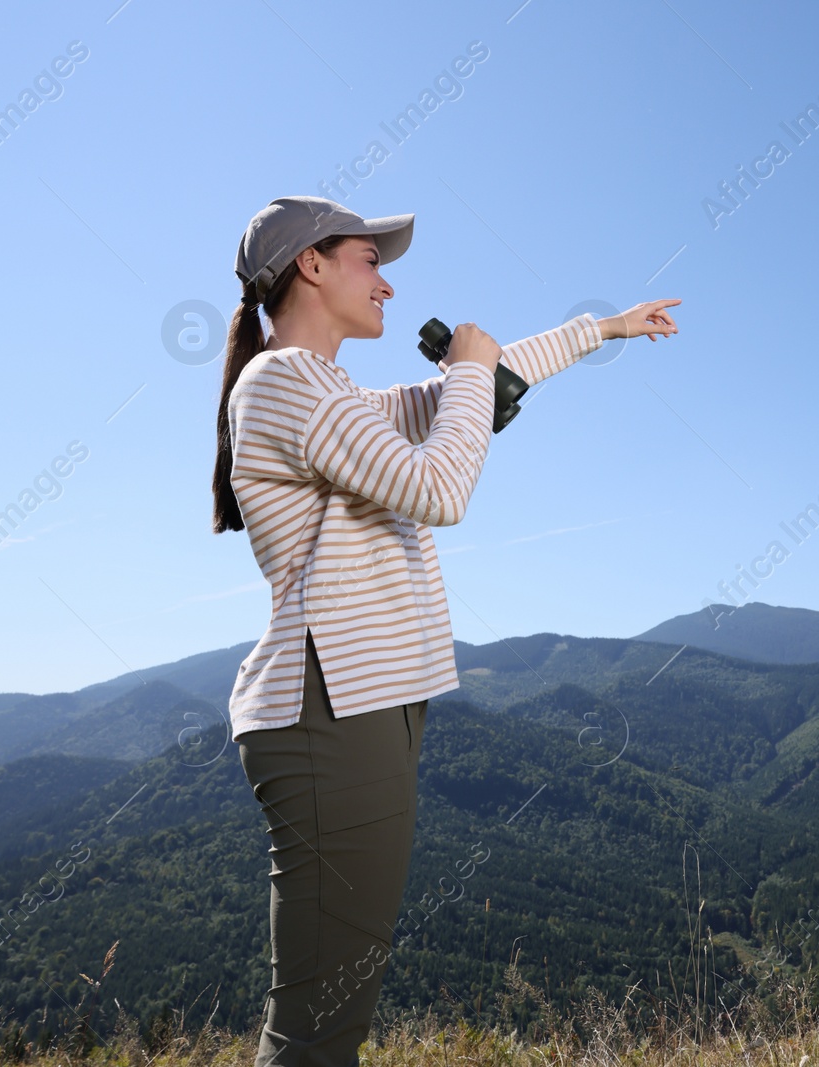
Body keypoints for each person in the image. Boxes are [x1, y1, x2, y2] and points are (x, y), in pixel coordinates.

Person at [213, 194, 679, 1066]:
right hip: (327, 711)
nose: (386, 283)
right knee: (319, 1022)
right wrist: (470, 373)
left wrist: (603, 328)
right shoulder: (285, 382)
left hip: (360, 703)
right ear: (311, 265)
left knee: (336, 1002)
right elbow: (440, 489)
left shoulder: (333, 393)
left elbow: (486, 379)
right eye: (368, 260)